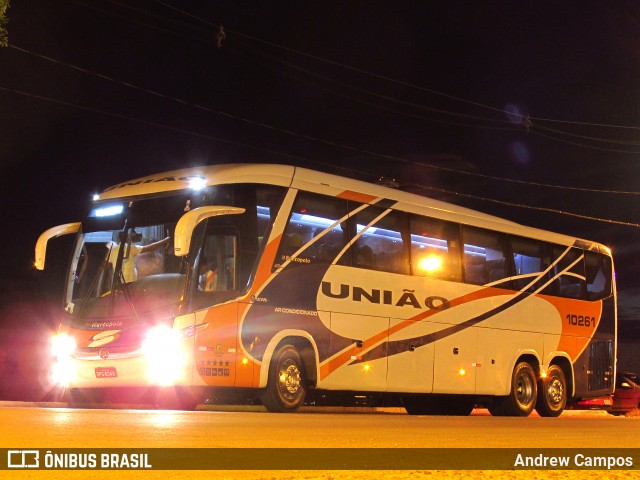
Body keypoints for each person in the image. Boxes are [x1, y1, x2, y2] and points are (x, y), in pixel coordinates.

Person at [106, 235, 170, 283]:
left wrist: (109, 251)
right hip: (130, 284)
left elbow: (105, 265)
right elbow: (149, 248)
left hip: (118, 284)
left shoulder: (113, 250)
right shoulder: (130, 249)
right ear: (128, 238)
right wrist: (165, 241)